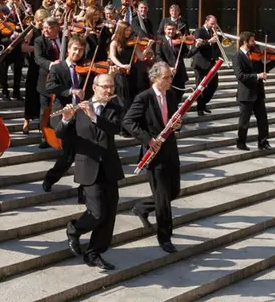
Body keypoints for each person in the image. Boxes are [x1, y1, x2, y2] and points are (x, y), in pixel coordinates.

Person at [57, 73, 124, 270]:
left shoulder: (115, 108)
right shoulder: (79, 109)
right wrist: (66, 119)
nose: (109, 91)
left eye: (112, 87)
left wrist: (94, 116)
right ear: (94, 87)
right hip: (88, 166)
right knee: (97, 213)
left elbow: (115, 129)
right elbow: (61, 134)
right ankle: (74, 229)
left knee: (109, 213)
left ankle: (94, 253)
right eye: (105, 87)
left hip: (109, 167)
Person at [123, 62, 183, 254]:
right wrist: (148, 139)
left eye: (170, 77)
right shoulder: (144, 98)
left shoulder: (171, 95)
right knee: (163, 198)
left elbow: (175, 120)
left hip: (170, 150)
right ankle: (164, 237)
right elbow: (128, 121)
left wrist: (178, 124)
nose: (170, 80)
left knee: (174, 191)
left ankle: (141, 207)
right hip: (153, 154)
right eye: (166, 77)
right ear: (155, 78)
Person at [42, 36, 91, 195]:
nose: (77, 53)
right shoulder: (58, 67)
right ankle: (50, 179)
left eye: (81, 50)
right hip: (64, 112)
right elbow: (50, 87)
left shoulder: (85, 68)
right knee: (69, 154)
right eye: (75, 49)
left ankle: (83, 190)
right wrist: (70, 91)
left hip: (81, 114)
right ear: (68, 49)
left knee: (85, 154)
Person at [233, 31, 275, 151]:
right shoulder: (237, 56)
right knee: (244, 121)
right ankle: (241, 143)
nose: (254, 43)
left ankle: (263, 142)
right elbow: (240, 76)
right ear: (245, 42)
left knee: (263, 120)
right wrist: (257, 76)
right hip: (246, 93)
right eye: (252, 41)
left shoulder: (255, 55)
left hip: (258, 92)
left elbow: (263, 69)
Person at [33, 16, 63, 149]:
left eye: (49, 28)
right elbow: (38, 59)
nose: (45, 30)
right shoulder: (39, 41)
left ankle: (61, 136)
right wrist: (52, 64)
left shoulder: (65, 38)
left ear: (56, 28)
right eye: (44, 27)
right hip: (46, 80)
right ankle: (45, 137)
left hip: (62, 80)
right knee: (44, 110)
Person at [187, 15, 221, 116]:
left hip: (211, 62)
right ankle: (200, 108)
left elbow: (215, 47)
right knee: (200, 86)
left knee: (214, 85)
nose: (213, 26)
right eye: (212, 24)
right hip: (200, 63)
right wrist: (210, 41)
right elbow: (198, 46)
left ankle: (203, 103)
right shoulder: (199, 31)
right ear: (206, 22)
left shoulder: (212, 32)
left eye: (215, 24)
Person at [22, 10, 46, 135]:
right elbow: (23, 48)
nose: (42, 23)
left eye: (44, 21)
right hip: (33, 65)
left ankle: (43, 122)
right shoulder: (31, 31)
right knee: (30, 93)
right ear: (36, 20)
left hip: (44, 67)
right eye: (40, 21)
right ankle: (26, 121)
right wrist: (37, 49)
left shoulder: (47, 31)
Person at [156, 22, 189, 104]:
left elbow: (187, 54)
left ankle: (175, 108)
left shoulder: (179, 40)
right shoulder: (160, 41)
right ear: (165, 30)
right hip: (167, 73)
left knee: (180, 93)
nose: (171, 31)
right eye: (169, 29)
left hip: (179, 73)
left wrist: (196, 46)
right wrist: (168, 67)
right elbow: (158, 56)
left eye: (173, 29)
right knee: (169, 95)